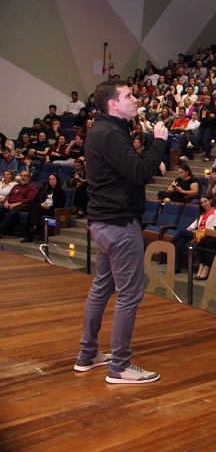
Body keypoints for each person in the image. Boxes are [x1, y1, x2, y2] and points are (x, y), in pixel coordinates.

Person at [75, 79, 168, 384]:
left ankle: (87, 355)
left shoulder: (103, 131)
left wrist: (149, 159)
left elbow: (126, 170)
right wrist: (159, 142)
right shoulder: (112, 133)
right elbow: (140, 174)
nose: (136, 99)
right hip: (118, 224)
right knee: (130, 293)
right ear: (113, 104)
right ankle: (120, 366)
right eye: (129, 96)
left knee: (102, 287)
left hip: (103, 222)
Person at [170, 195, 216, 273]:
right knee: (181, 241)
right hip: (196, 233)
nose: (204, 204)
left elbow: (214, 228)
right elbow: (195, 223)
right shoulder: (202, 213)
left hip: (204, 235)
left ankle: (169, 246)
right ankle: (177, 268)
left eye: (205, 201)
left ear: (210, 201)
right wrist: (190, 228)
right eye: (202, 203)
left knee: (181, 232)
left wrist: (201, 231)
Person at [21, 173, 66, 242]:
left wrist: (48, 207)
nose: (52, 181)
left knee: (33, 210)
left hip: (53, 210)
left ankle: (30, 234)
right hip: (43, 208)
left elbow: (59, 205)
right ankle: (35, 225)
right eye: (50, 179)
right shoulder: (47, 189)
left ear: (57, 180)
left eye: (54, 179)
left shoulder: (61, 192)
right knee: (33, 208)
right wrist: (42, 205)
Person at [0, 170, 39, 237]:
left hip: (21, 206)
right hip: (10, 204)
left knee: (11, 214)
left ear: (29, 177)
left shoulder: (32, 187)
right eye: (21, 176)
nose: (23, 177)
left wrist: (16, 204)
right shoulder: (16, 186)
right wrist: (6, 202)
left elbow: (30, 199)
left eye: (25, 176)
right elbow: (8, 195)